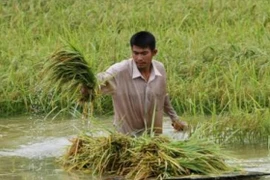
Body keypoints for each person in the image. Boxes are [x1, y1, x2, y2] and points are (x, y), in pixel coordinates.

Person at [96, 31, 187, 135]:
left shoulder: (160, 69)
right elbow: (99, 81)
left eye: (144, 53)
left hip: (155, 141)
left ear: (154, 52)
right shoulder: (119, 71)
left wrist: (175, 119)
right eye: (136, 53)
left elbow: (162, 97)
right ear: (131, 51)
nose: (139, 58)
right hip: (125, 141)